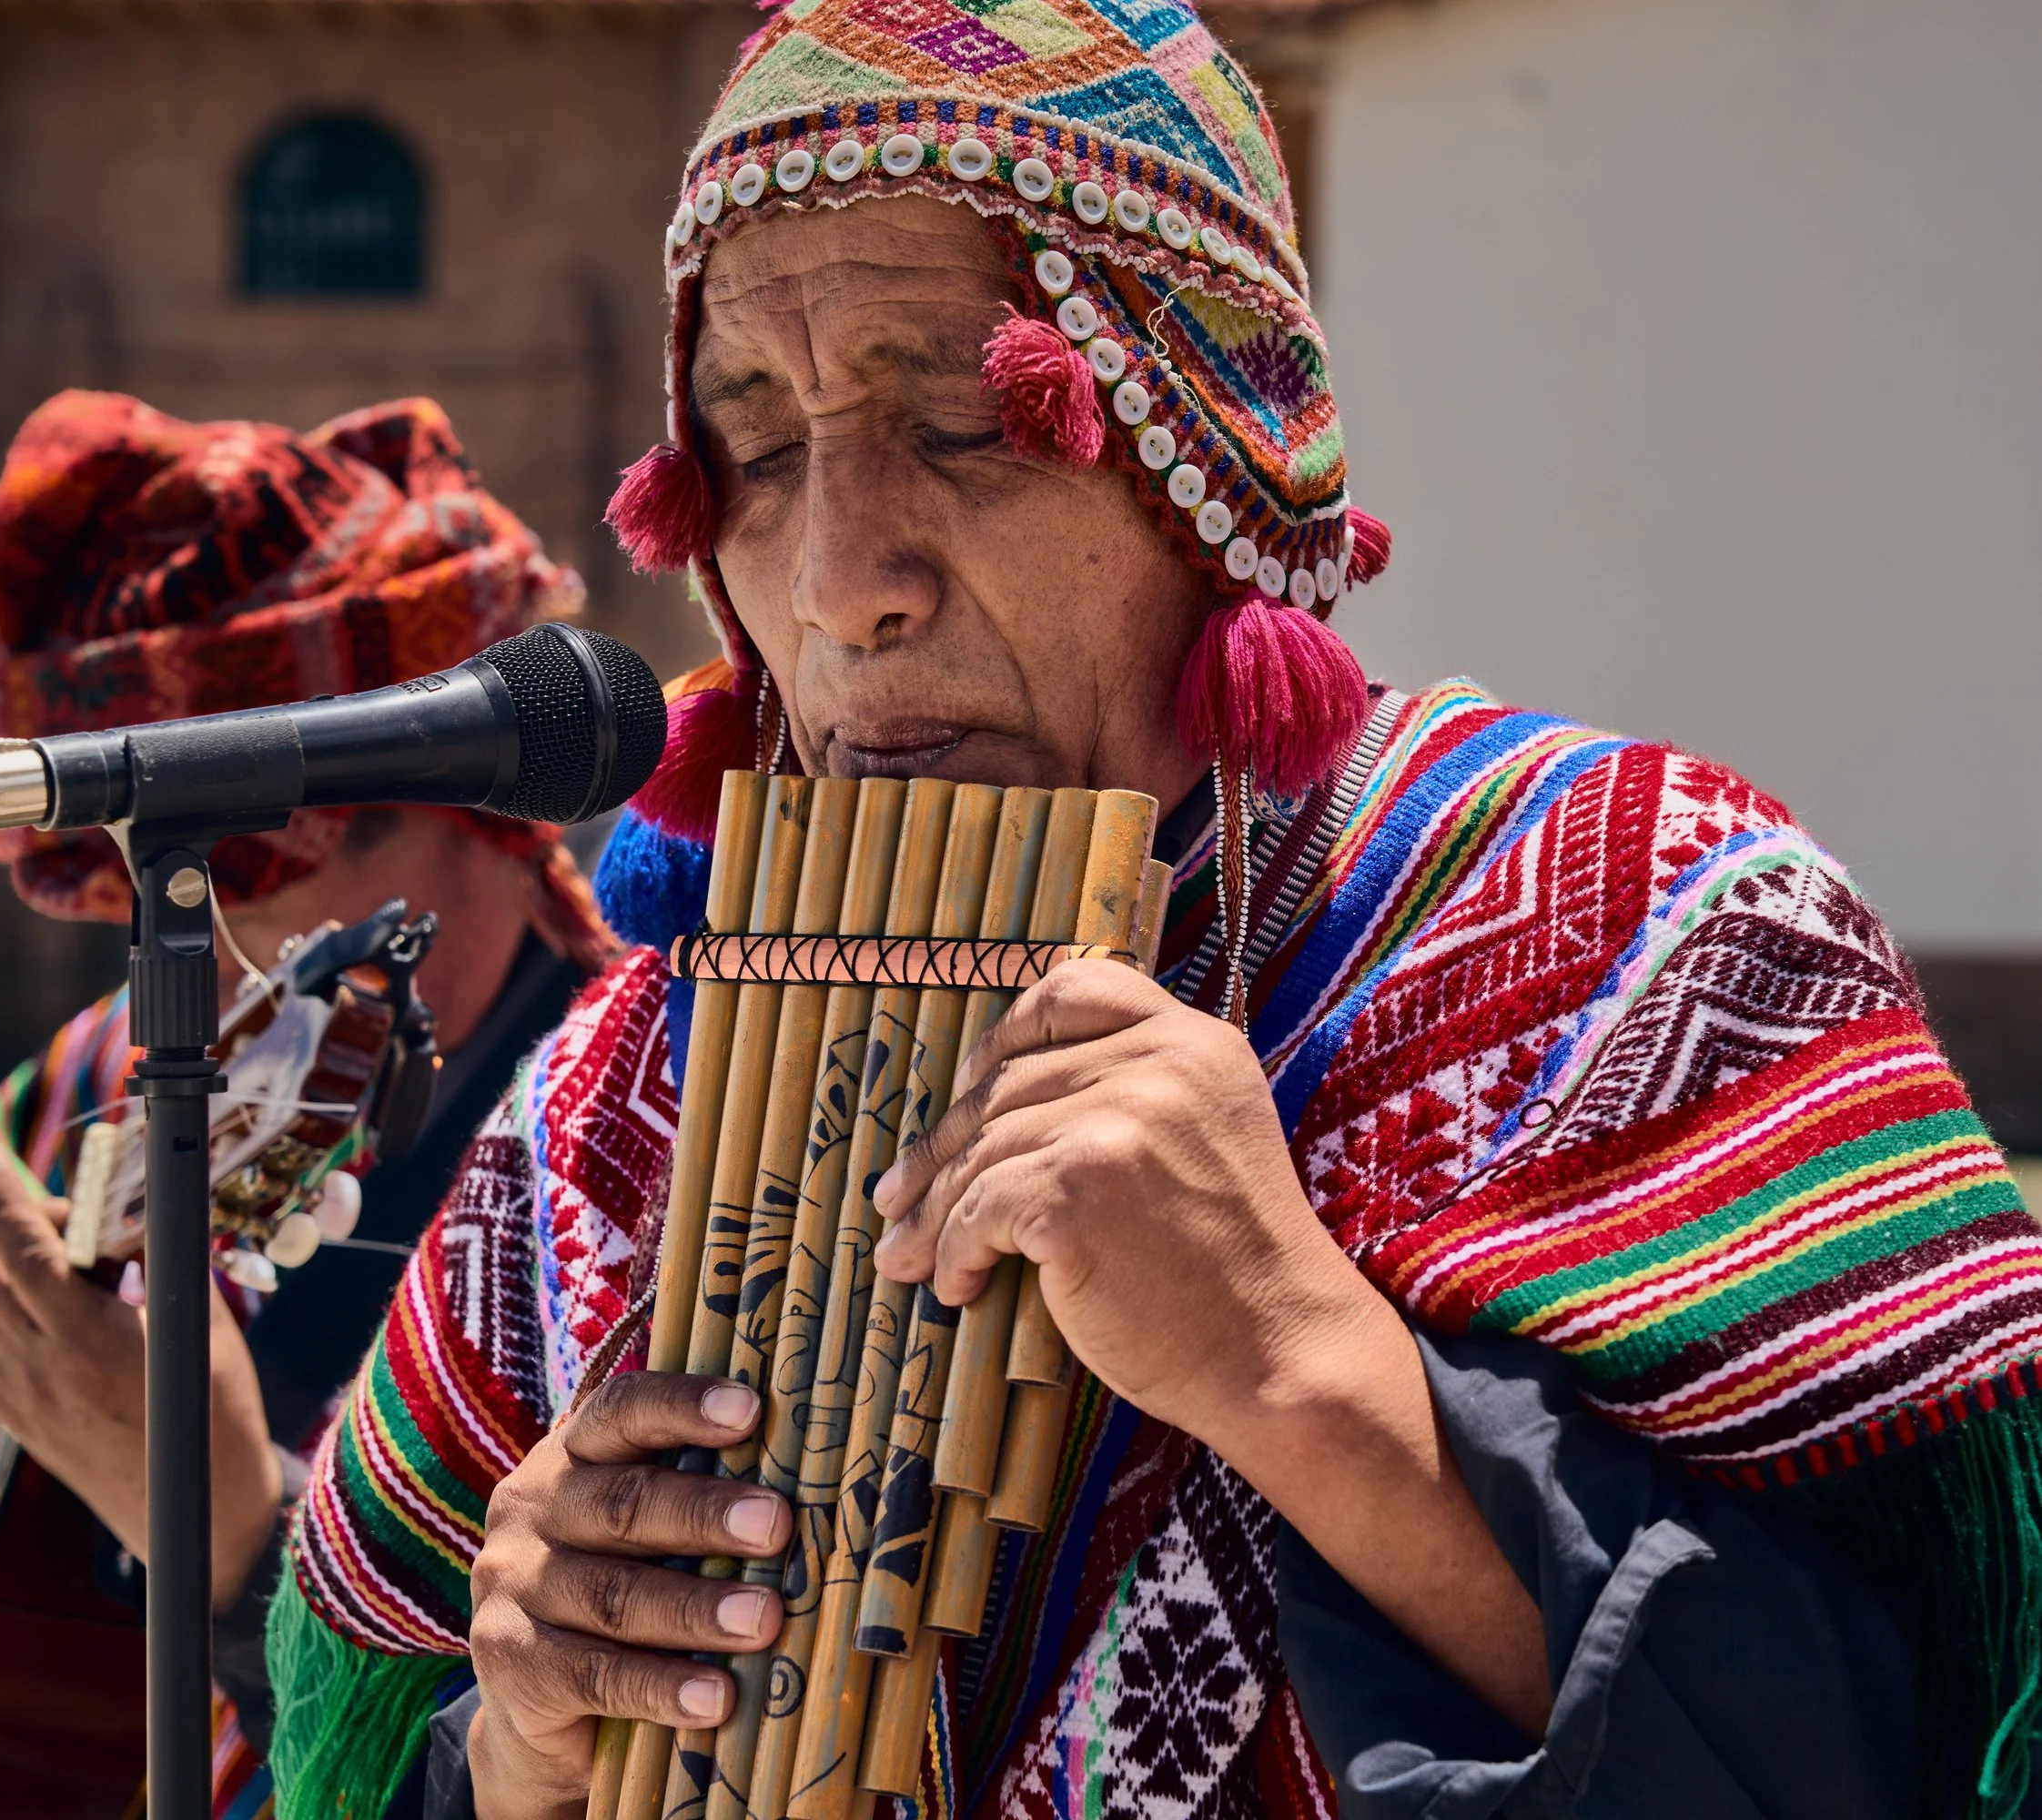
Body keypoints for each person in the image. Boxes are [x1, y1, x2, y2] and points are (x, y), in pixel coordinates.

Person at [267, 9, 2042, 1817]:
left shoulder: (1643, 924)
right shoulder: (624, 1093)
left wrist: (1307, 1375)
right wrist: (517, 1749)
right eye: (760, 452)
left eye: (957, 422)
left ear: (1215, 462)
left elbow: (1925, 1733)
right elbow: (357, 1746)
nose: (837, 583)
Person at [0, 391, 614, 1814]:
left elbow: (536, 1761)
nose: (217, 942)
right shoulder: (153, 1048)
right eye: (163, 880)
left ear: (465, 811)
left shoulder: (618, 1146)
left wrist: (230, 1538)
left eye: (252, 871)